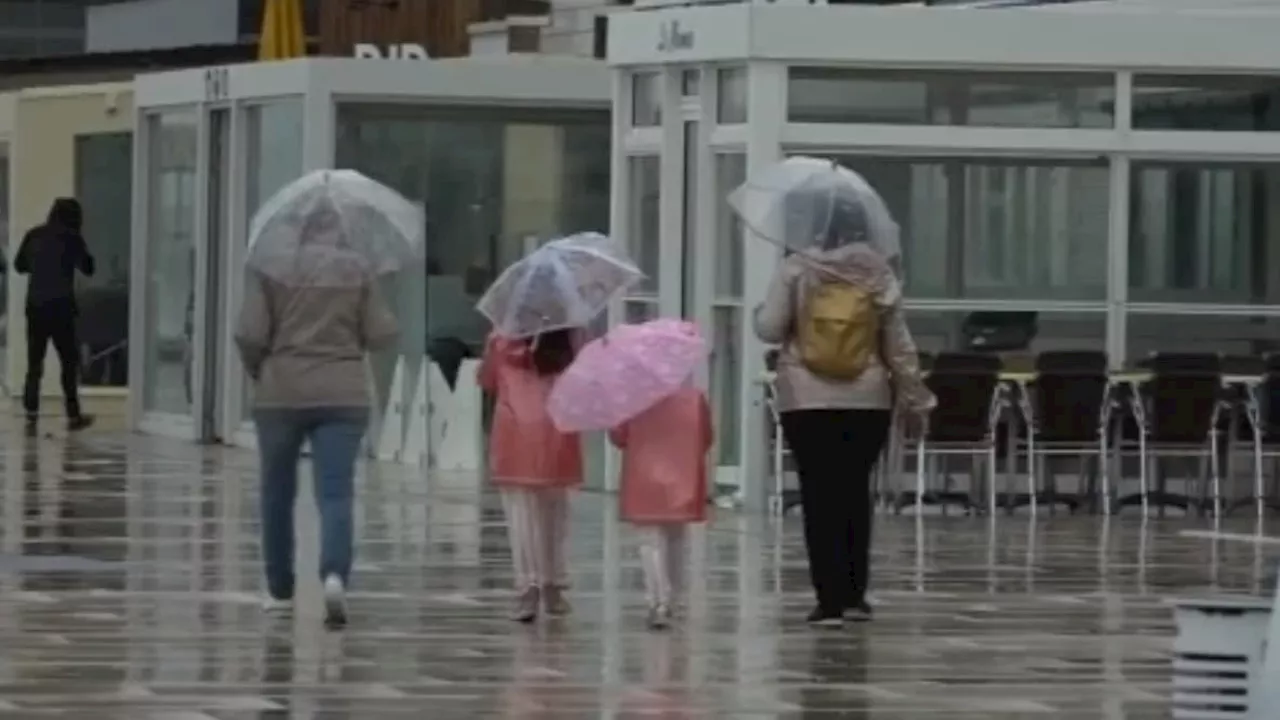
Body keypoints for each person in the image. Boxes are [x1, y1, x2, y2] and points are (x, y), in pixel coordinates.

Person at [753, 190, 934, 627]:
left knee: (818, 496)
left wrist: (762, 312)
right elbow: (899, 346)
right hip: (866, 398)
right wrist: (915, 397)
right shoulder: (879, 275)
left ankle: (827, 600)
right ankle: (855, 596)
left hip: (806, 397)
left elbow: (770, 329)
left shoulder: (796, 268)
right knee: (855, 492)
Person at [235, 203, 398, 629]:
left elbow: (249, 332)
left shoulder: (272, 268)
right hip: (342, 391)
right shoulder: (356, 269)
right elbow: (381, 333)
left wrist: (260, 370)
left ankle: (280, 589)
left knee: (276, 493)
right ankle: (333, 575)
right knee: (336, 491)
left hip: (281, 391)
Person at [478, 328, 583, 623]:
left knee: (521, 517)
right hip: (558, 431)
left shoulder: (501, 339)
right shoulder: (569, 337)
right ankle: (554, 584)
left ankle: (528, 587)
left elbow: (486, 381)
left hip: (516, 436)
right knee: (556, 513)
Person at [609, 377, 712, 630]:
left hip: (644, 474)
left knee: (650, 541)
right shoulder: (695, 398)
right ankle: (674, 599)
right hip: (682, 476)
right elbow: (706, 438)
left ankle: (658, 600)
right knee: (677, 539)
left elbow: (619, 436)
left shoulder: (632, 399)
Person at [14, 197, 95, 432]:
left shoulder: (34, 235)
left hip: (36, 306)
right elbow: (89, 268)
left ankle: (31, 412)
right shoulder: (72, 238)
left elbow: (19, 266)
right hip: (61, 308)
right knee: (68, 362)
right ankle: (73, 414)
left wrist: (39, 264)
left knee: (34, 362)